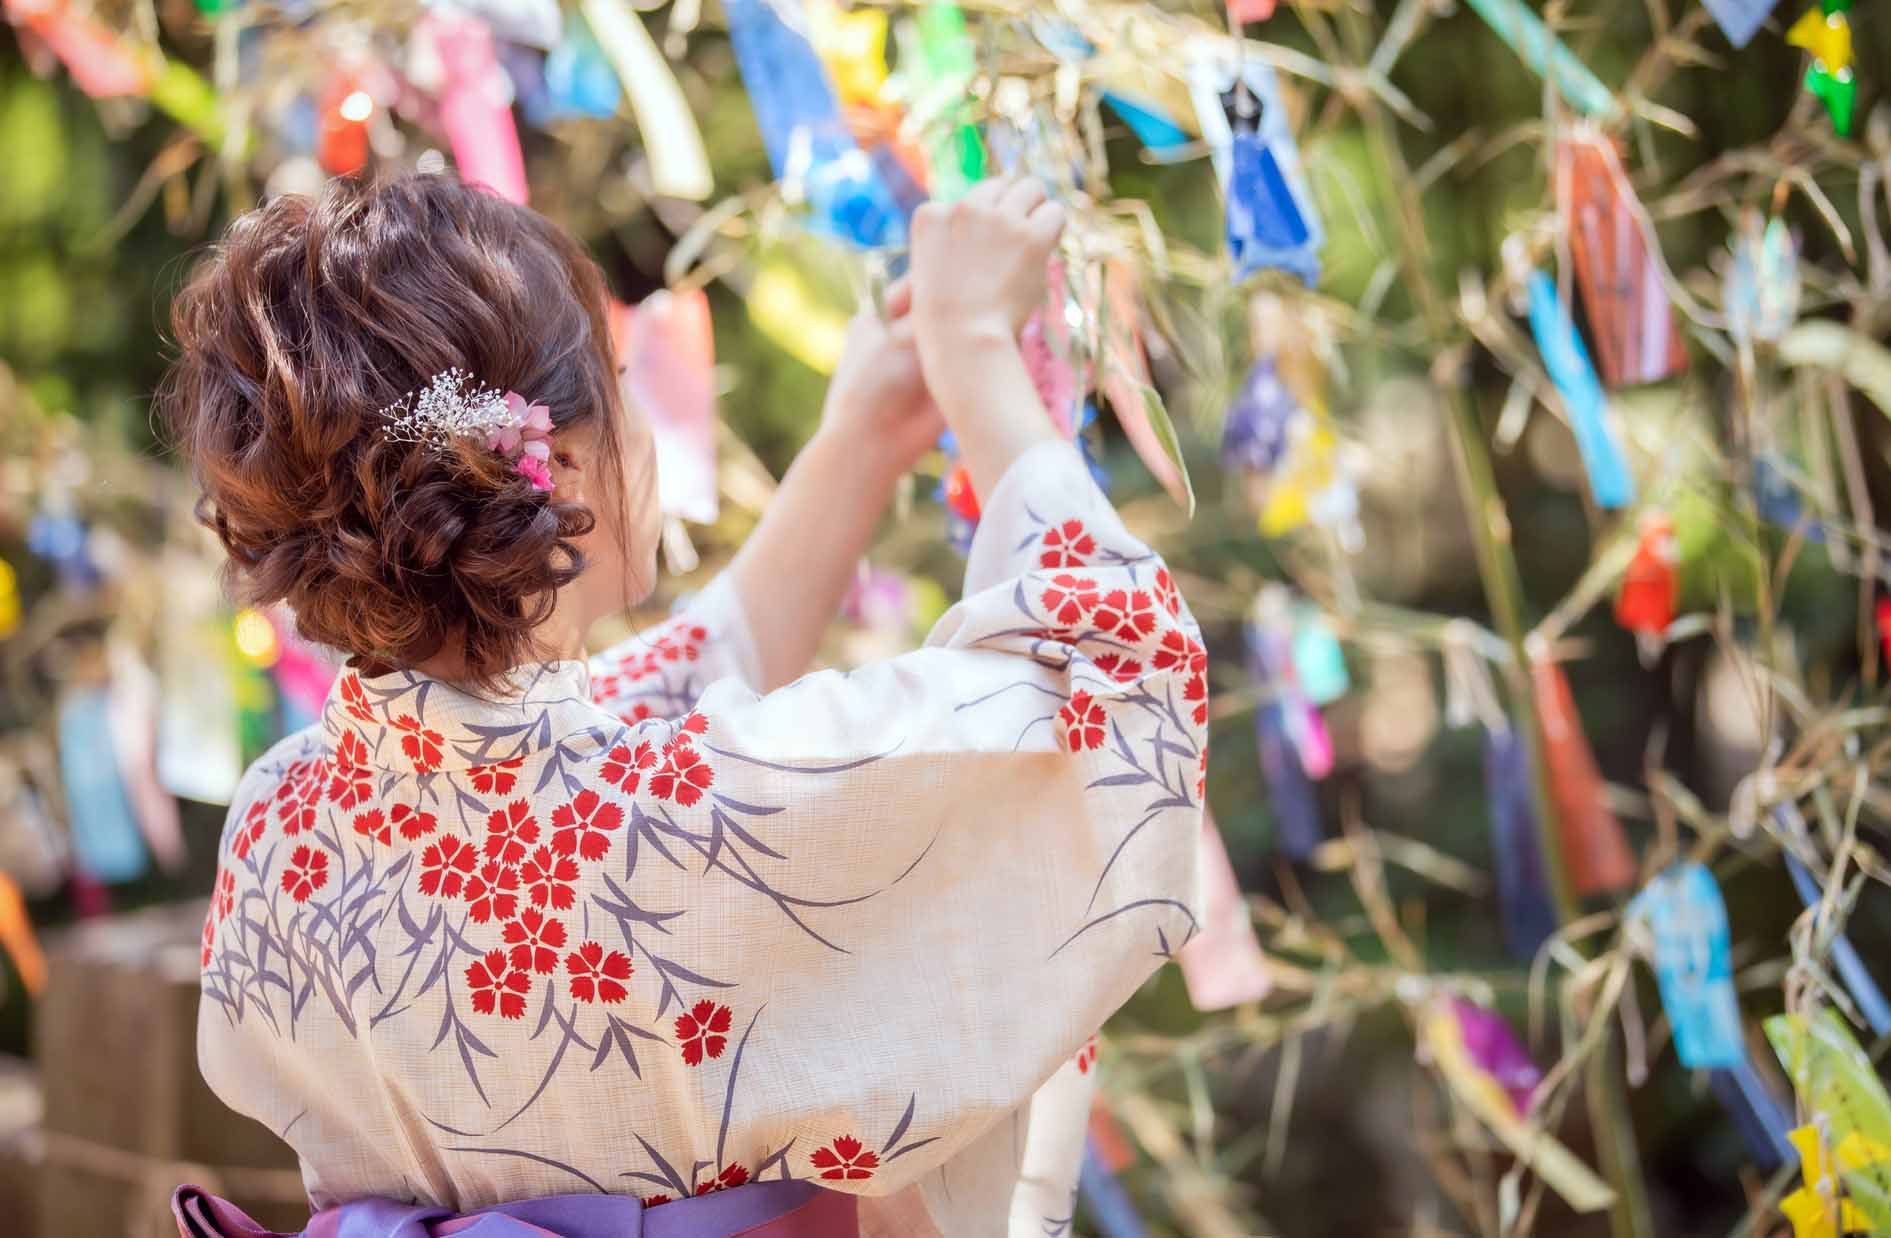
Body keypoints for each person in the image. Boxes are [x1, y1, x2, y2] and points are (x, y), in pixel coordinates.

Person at [164, 171, 1207, 1238]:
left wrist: (856, 440)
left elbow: (589, 746)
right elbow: (1123, 692)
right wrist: (976, 348)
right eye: (622, 381)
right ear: (561, 467)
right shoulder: (697, 813)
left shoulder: (277, 826)